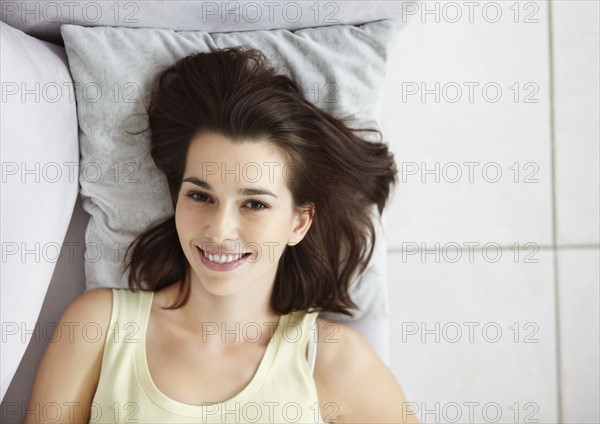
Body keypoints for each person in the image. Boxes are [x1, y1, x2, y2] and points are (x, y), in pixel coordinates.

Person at [26, 47, 420, 423]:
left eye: (254, 204)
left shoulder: (333, 358)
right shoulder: (99, 326)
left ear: (299, 223)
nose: (219, 230)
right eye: (200, 195)